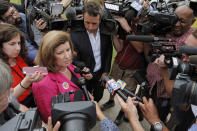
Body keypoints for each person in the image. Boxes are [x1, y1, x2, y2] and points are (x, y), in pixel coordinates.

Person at [145, 5, 196, 130]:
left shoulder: (192, 39)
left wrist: (165, 67)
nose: (176, 24)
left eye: (182, 21)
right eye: (174, 19)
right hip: (152, 85)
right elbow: (147, 51)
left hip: (169, 93)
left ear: (193, 21)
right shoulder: (164, 28)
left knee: (158, 121)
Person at [32, 30, 93, 123]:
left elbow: (75, 85)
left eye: (68, 50)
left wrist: (85, 93)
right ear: (48, 55)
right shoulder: (42, 83)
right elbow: (50, 117)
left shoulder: (68, 65)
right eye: (60, 53)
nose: (68, 56)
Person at [0, 59, 60, 131]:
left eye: (10, 87)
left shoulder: (9, 101)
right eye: (6, 94)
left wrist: (45, 128)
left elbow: (24, 111)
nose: (12, 91)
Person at [70, 1, 112, 102]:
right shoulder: (74, 35)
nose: (90, 27)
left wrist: (106, 71)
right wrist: (83, 69)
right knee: (85, 100)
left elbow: (108, 51)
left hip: (100, 75)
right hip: (84, 76)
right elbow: (74, 59)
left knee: (98, 97)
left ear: (100, 20)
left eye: (94, 23)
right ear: (83, 18)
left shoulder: (105, 32)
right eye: (87, 22)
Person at [0, 23, 43, 107]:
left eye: (19, 43)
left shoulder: (18, 58)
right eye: (12, 44)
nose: (18, 48)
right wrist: (27, 81)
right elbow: (6, 99)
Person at [0, 0, 43, 65]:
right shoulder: (9, 32)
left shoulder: (22, 16)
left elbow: (38, 38)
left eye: (13, 11)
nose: (14, 16)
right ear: (3, 21)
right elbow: (31, 53)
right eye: (9, 17)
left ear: (13, 7)